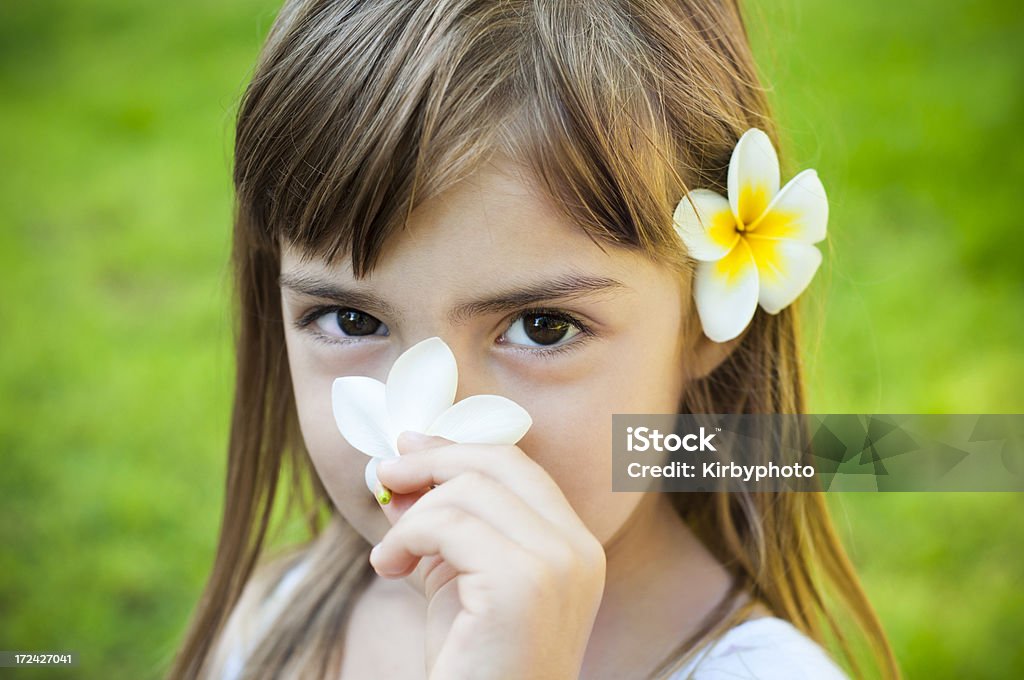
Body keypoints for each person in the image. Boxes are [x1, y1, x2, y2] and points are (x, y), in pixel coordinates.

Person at [167, 1, 900, 678]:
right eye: (352, 321)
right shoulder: (277, 618)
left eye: (541, 328)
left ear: (710, 318)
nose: (423, 427)